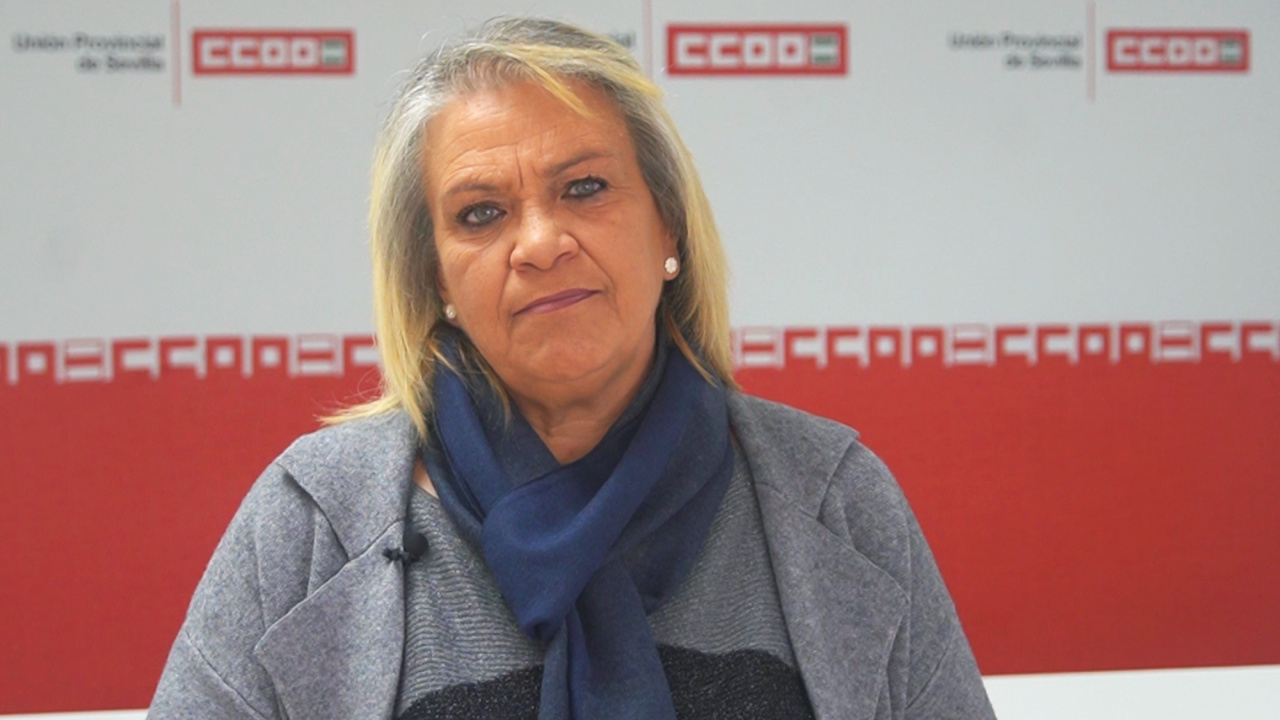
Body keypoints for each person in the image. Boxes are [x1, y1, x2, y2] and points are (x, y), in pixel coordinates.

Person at [149, 17, 995, 720]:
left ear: (668, 228)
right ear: (436, 279)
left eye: (584, 188)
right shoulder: (315, 524)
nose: (540, 243)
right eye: (481, 213)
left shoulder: (831, 496)